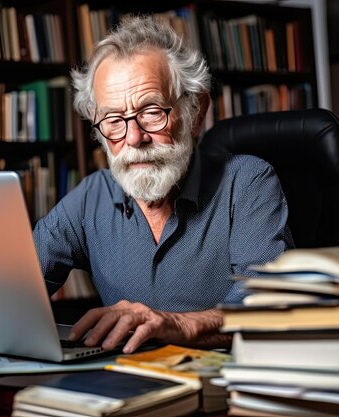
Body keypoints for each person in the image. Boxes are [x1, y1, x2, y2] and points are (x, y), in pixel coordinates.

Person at [33, 16, 293, 354]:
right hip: (126, 389)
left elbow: (267, 306)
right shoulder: (90, 197)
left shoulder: (248, 183)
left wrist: (176, 325)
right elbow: (16, 288)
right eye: (114, 120)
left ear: (195, 111)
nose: (134, 138)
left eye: (152, 111)